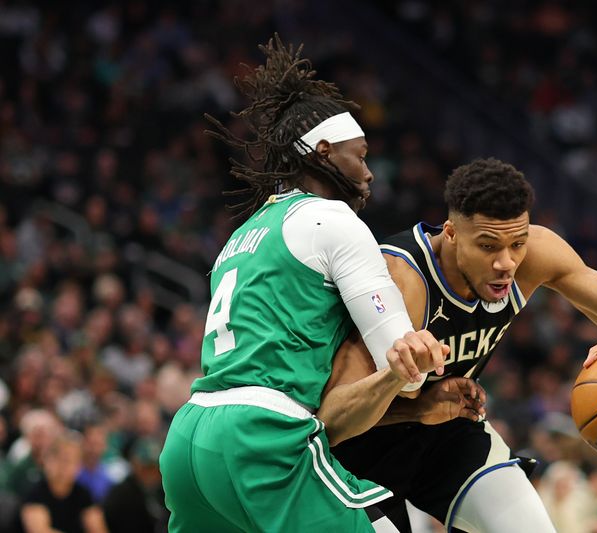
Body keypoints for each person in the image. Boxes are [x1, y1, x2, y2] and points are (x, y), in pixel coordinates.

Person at [158, 36, 447, 533]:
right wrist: (420, 366)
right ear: (324, 151)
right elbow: (400, 358)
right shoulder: (332, 219)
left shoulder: (242, 234)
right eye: (360, 156)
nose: (370, 172)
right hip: (261, 435)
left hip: (190, 437)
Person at [323, 158, 597, 532]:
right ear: (451, 234)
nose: (506, 263)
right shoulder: (402, 281)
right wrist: (417, 409)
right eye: (488, 246)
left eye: (517, 243)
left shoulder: (534, 254)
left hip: (448, 433)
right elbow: (331, 419)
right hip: (359, 451)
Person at [20, 432, 108, 533]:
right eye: (60, 459)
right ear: (47, 460)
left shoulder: (83, 494)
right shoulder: (35, 494)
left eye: (71, 460)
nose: (64, 466)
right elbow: (39, 530)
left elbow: (98, 529)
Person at [103, 438, 167, 533]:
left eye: (156, 468)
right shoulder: (121, 495)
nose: (152, 474)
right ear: (135, 464)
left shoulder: (163, 491)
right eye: (147, 468)